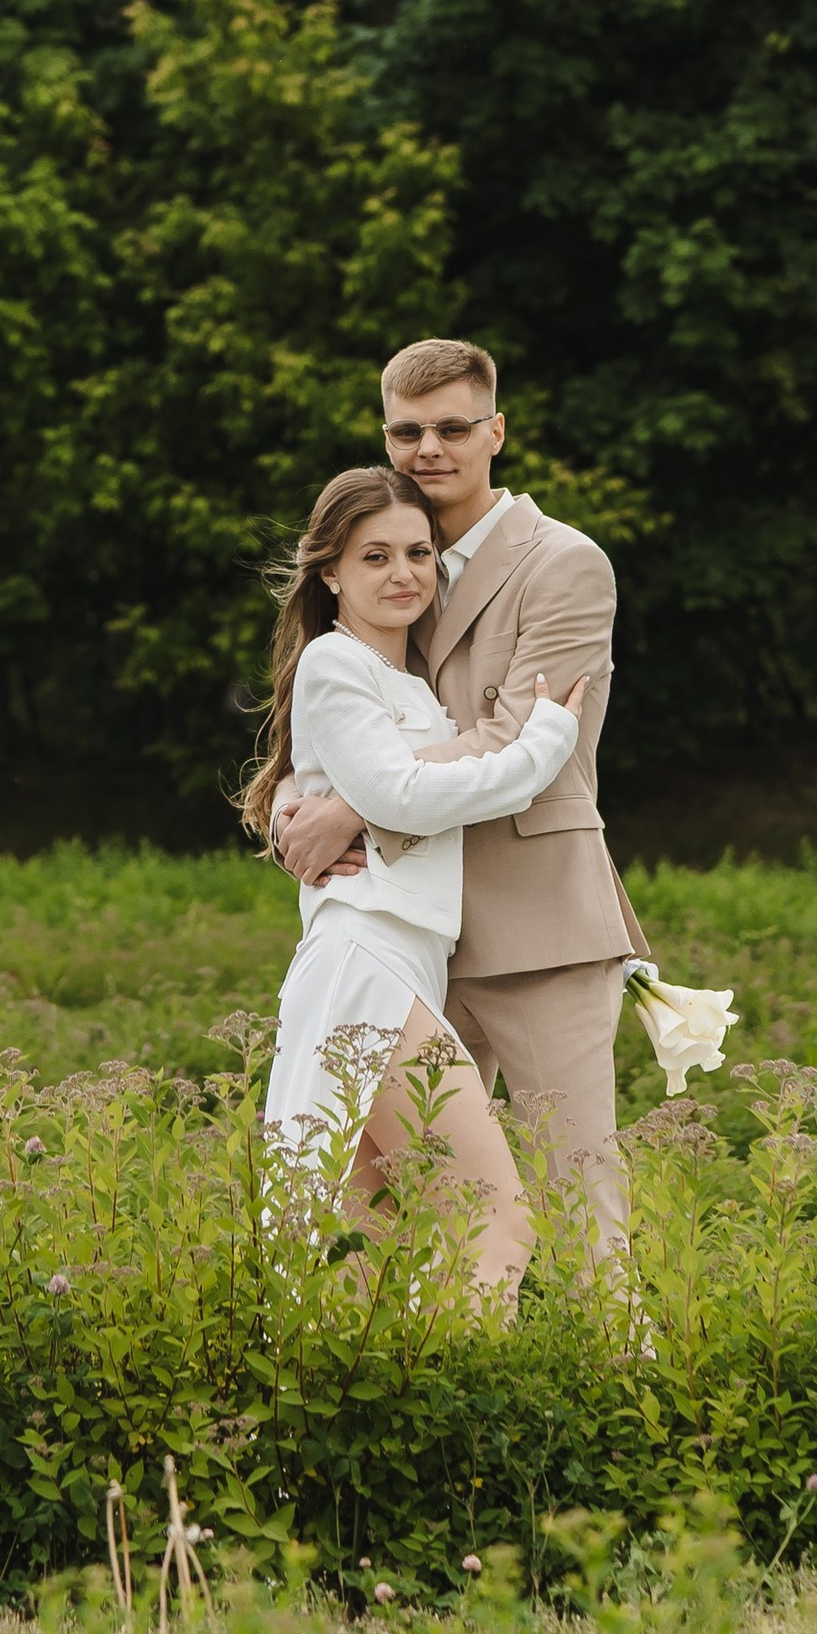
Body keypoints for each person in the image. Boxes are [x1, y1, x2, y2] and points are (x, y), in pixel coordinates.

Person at [272, 336, 648, 1263]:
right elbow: (349, 695)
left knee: (576, 1187)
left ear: (497, 432)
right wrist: (293, 790)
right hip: (419, 932)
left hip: (538, 926)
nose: (427, 449)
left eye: (452, 428)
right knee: (397, 1195)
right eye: (407, 431)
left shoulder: (565, 563)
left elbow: (521, 736)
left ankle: (627, 1387)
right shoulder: (397, 554)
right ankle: (429, 1392)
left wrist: (355, 806)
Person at [242, 462, 586, 1304]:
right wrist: (546, 745)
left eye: (419, 554)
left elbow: (354, 783)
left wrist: (303, 800)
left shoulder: (410, 686)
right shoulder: (334, 661)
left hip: (397, 962)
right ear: (329, 572)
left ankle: (371, 1417)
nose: (404, 575)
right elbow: (401, 795)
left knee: (359, 1242)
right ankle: (467, 1404)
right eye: (375, 557)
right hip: (369, 964)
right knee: (497, 1221)